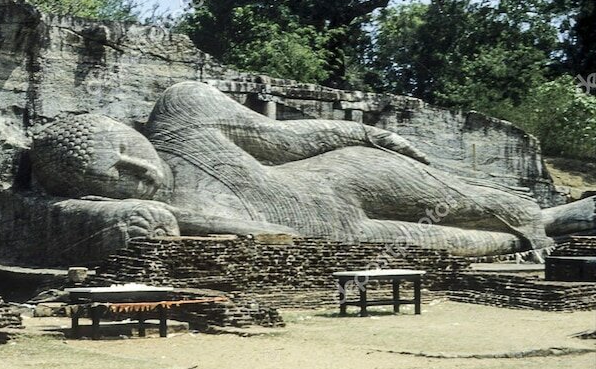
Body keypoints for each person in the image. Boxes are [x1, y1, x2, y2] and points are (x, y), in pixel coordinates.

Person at [32, 81, 595, 255]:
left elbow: (285, 138)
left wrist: (370, 132)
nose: (137, 168)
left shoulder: (183, 117)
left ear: (126, 128)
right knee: (470, 244)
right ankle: (559, 223)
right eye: (114, 176)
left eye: (125, 147)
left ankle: (549, 213)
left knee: (493, 207)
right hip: (345, 232)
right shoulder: (172, 209)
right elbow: (260, 235)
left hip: (346, 174)